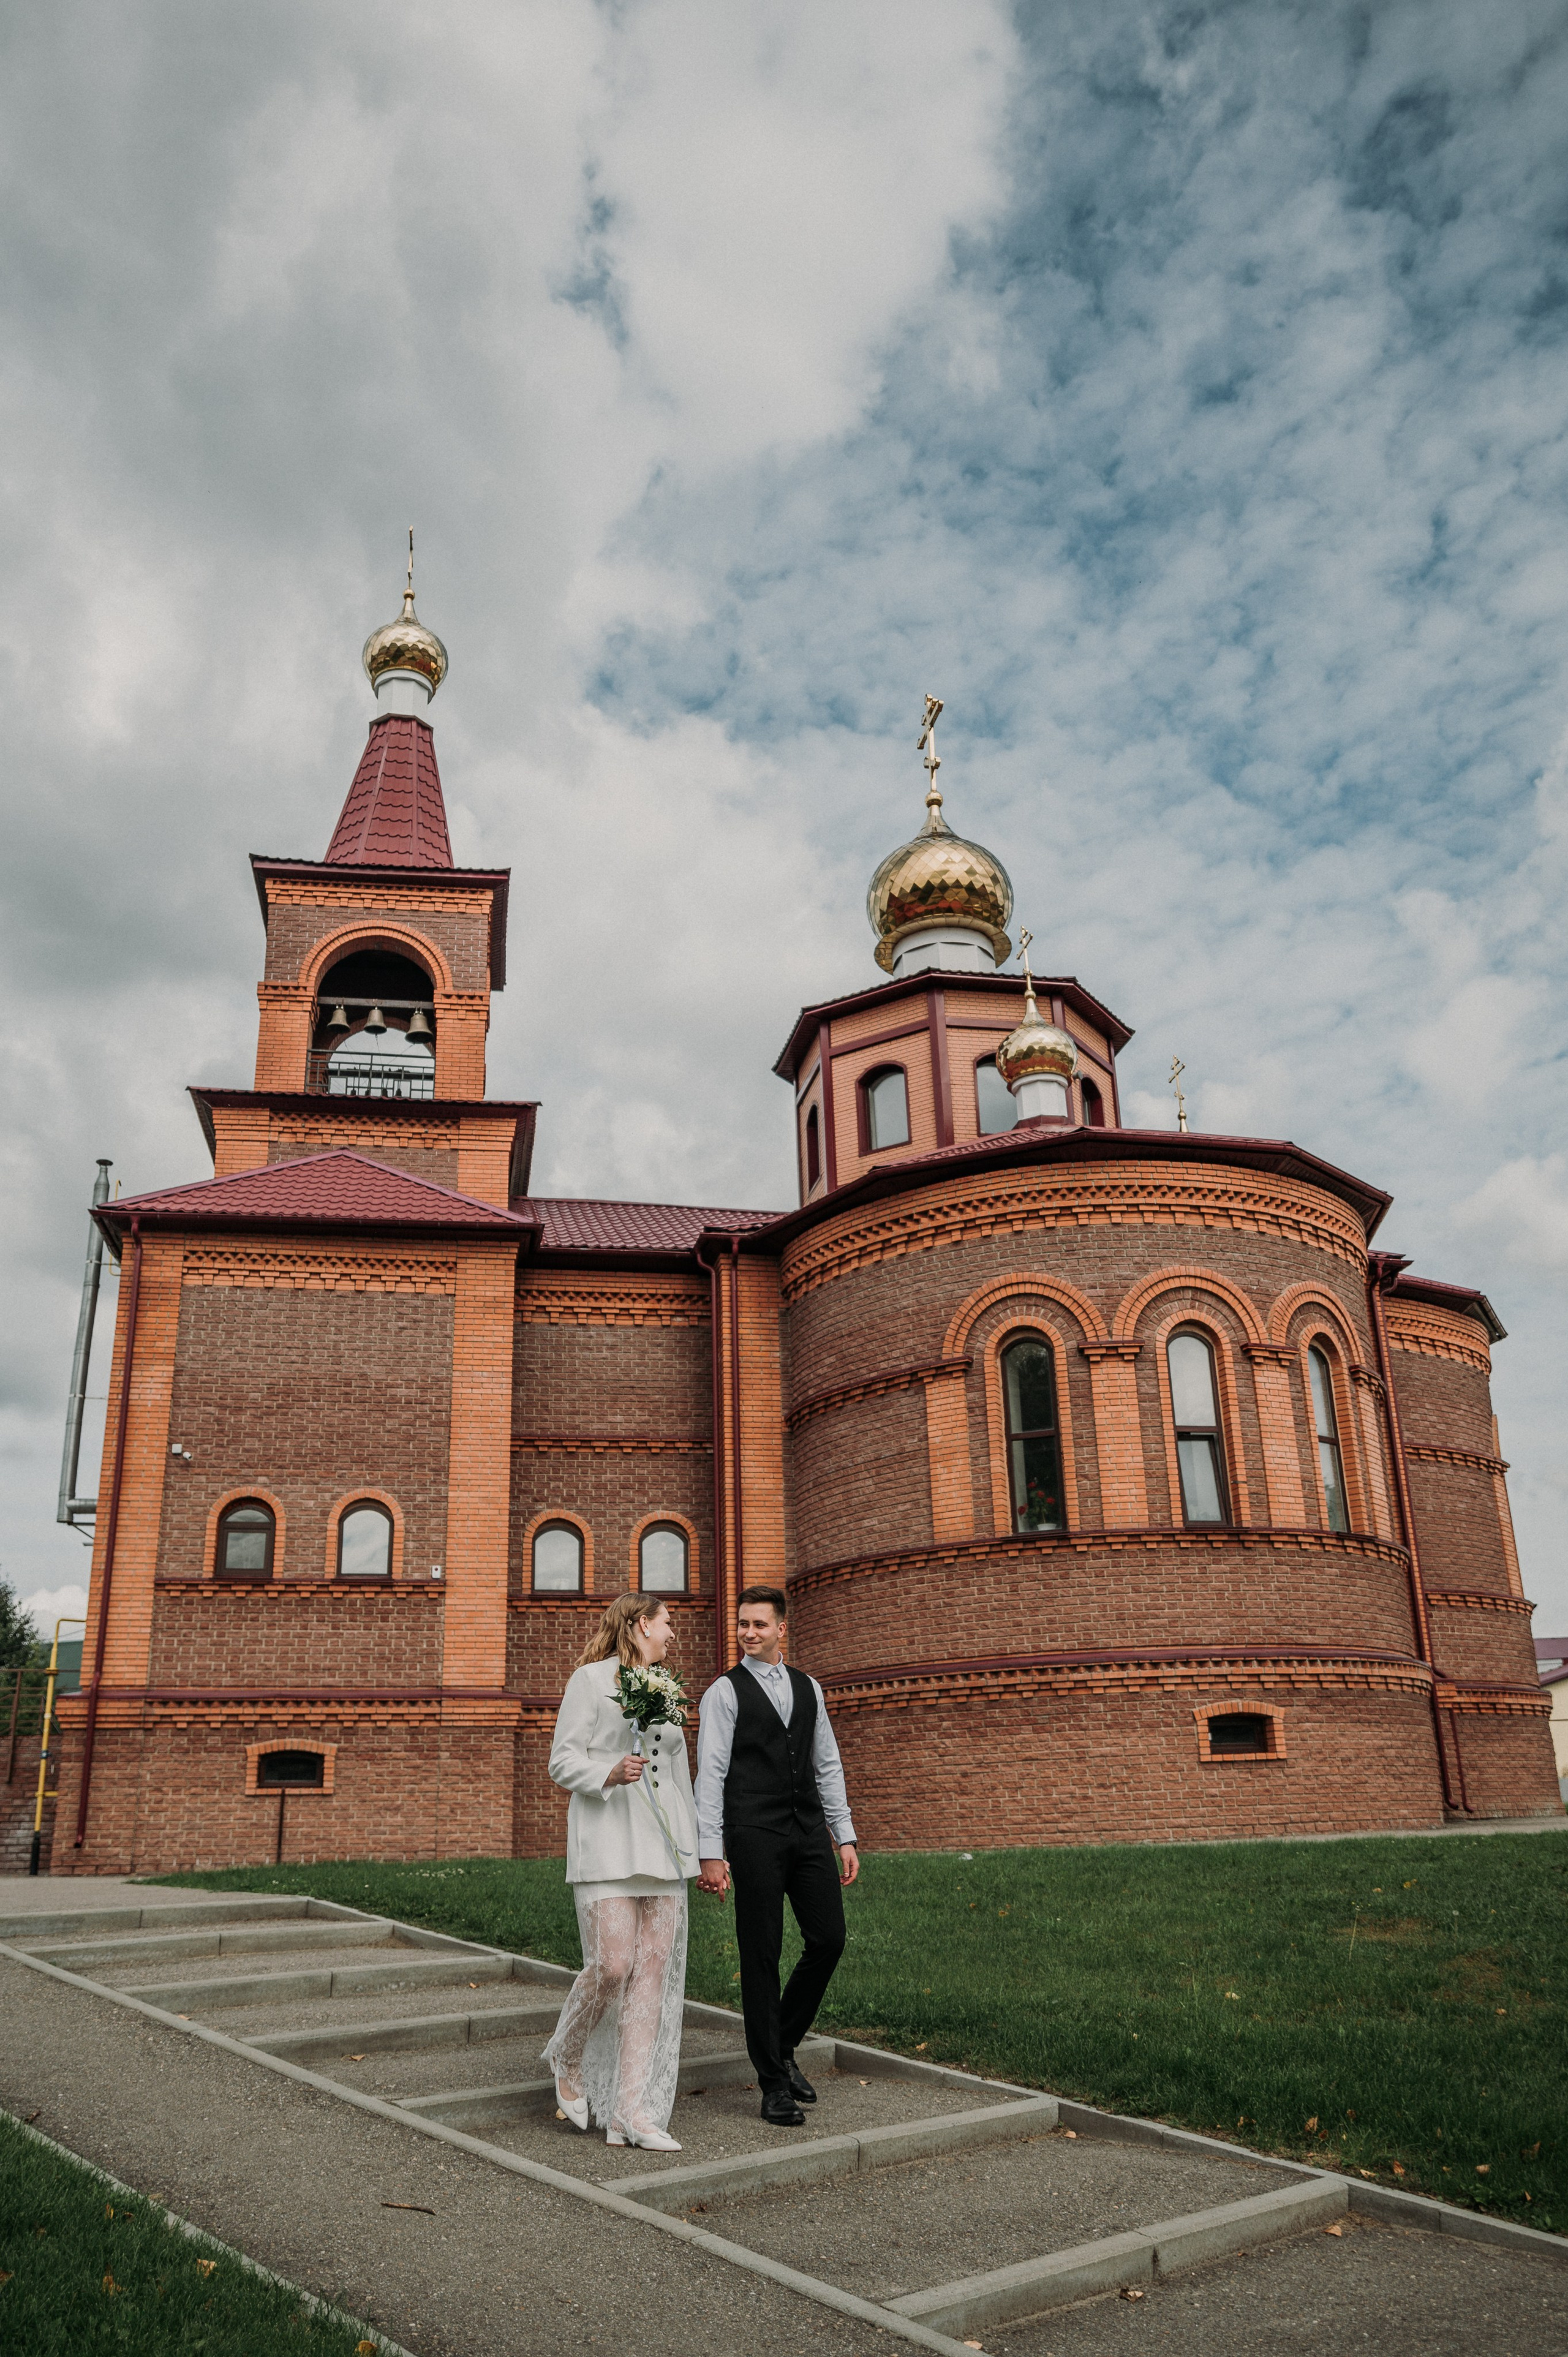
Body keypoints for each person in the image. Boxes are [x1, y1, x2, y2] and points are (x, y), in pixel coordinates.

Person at [695, 1585, 859, 2127]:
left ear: (781, 1629)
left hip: (808, 1832)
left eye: (759, 1624)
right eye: (743, 1623)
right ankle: (772, 2083)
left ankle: (783, 2045)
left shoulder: (809, 1688)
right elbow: (711, 1776)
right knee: (761, 1953)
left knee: (829, 1939)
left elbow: (827, 1763)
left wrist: (843, 1835)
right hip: (754, 1835)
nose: (749, 1632)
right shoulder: (724, 1692)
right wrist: (711, 1851)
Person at [543, 1592, 698, 2151]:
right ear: (640, 1625)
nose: (672, 1634)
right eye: (666, 1623)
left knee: (652, 1975)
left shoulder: (670, 1690)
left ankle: (631, 2112)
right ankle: (567, 2053)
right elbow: (562, 1760)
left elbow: (679, 1774)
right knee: (613, 1965)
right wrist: (607, 1772)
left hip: (663, 1847)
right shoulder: (589, 1681)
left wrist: (701, 1851)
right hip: (607, 1840)